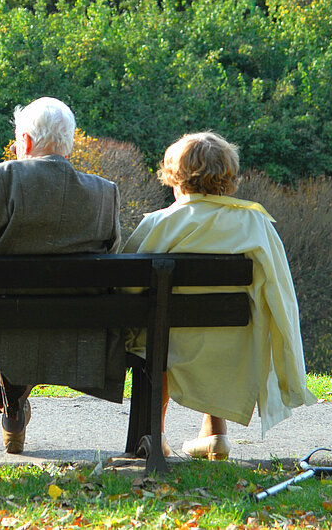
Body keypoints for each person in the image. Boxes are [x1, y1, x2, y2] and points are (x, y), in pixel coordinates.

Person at [123, 131, 317, 460]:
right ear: (228, 179)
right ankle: (215, 434)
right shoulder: (256, 223)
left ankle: (154, 433)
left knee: (159, 336)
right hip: (236, 341)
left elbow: (126, 286)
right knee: (216, 337)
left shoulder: (160, 223)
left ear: (175, 178)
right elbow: (281, 295)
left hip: (168, 343)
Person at [0, 97, 122, 454]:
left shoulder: (2, 177)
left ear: (24, 142)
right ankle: (15, 398)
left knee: (7, 316)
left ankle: (12, 396)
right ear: (69, 142)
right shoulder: (105, 192)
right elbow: (113, 256)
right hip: (77, 328)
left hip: (1, 325)